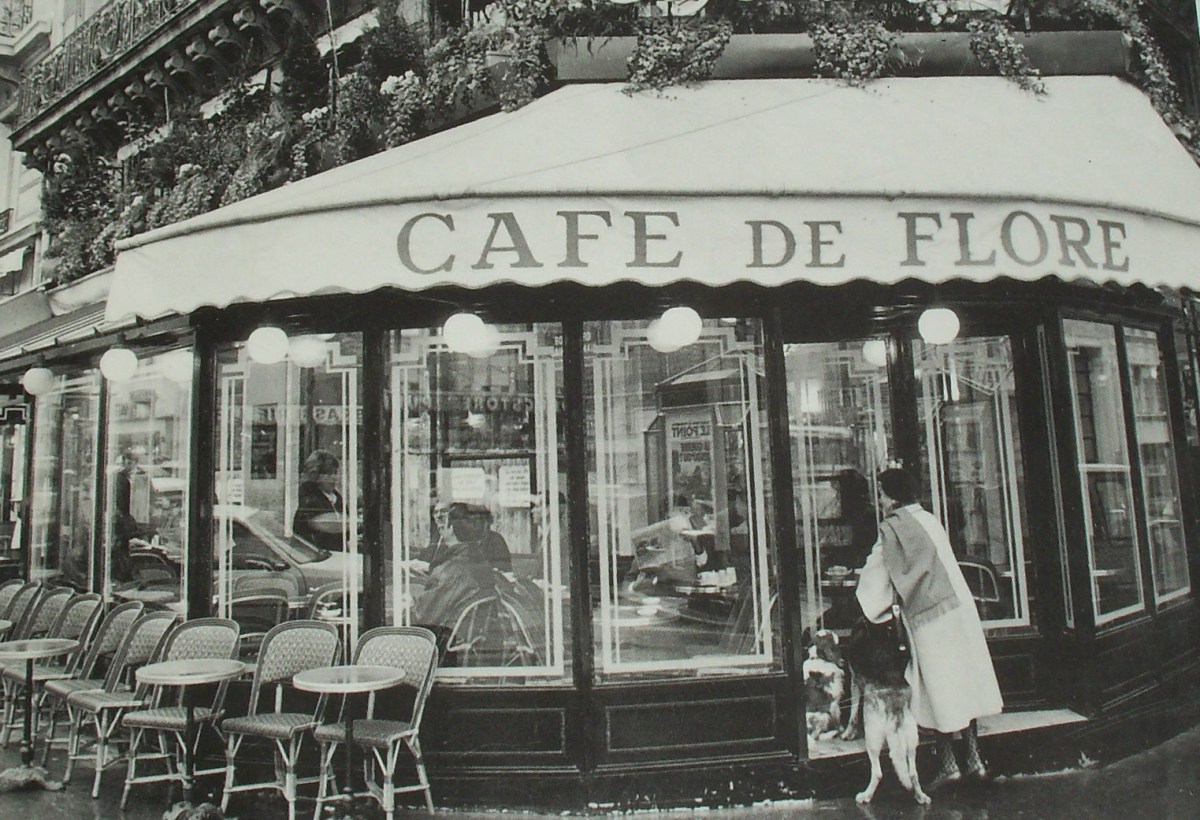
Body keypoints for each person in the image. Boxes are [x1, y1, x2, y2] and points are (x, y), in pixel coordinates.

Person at [855, 466, 1003, 790]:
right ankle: (975, 761)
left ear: (891, 496)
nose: (879, 500)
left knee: (937, 691)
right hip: (958, 610)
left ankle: (949, 766)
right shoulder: (930, 520)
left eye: (881, 493)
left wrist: (864, 604)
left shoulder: (892, 528)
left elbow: (874, 578)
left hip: (929, 619)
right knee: (964, 684)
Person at [412, 502, 513, 630]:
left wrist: (407, 605)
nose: (440, 525)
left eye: (443, 520)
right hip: (469, 634)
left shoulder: (453, 571)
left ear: (452, 527)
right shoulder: (478, 560)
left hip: (444, 636)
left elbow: (423, 615)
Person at [292, 450, 346, 550]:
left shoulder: (337, 498)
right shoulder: (309, 502)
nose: (334, 478)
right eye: (329, 474)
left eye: (335, 473)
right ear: (315, 476)